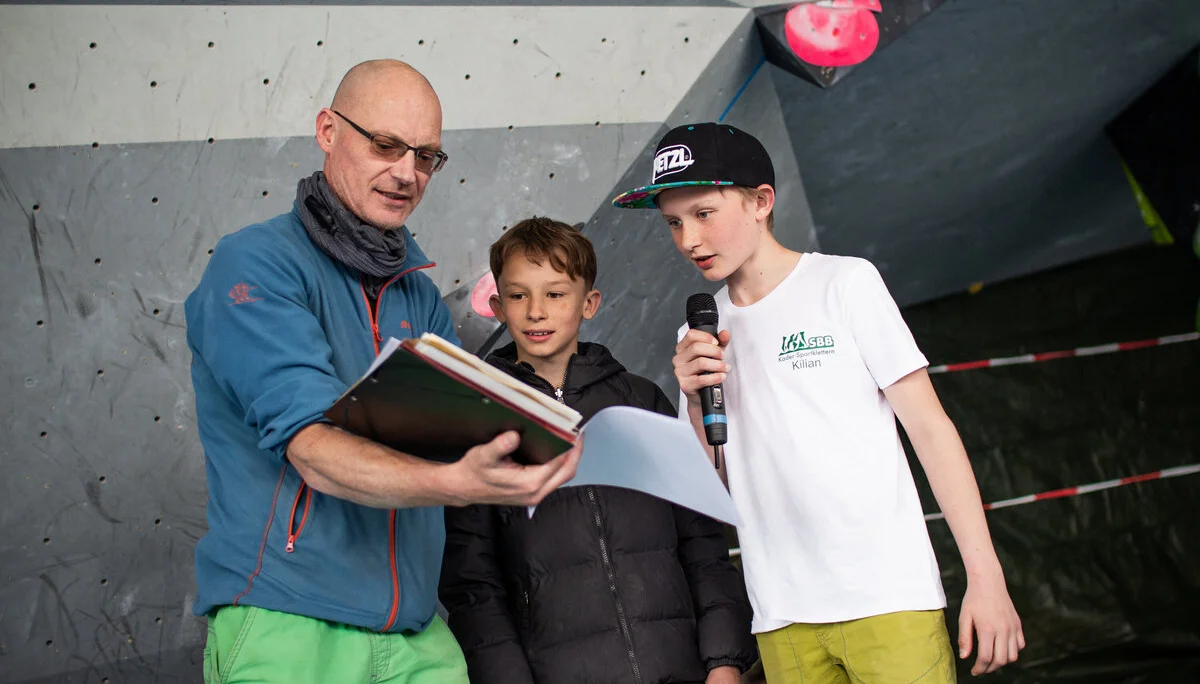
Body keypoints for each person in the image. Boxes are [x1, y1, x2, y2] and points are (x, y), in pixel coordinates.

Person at [184, 60, 580, 684]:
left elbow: (455, 440)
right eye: (385, 145)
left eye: (426, 156)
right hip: (289, 622)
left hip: (416, 631)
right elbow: (312, 451)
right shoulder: (256, 265)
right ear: (327, 131)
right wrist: (456, 482)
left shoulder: (417, 294)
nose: (406, 173)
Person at [611, 122, 1025, 682]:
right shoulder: (699, 333)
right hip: (781, 616)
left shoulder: (844, 283)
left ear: (761, 202)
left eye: (704, 213)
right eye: (674, 222)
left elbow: (931, 431)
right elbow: (710, 491)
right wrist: (691, 400)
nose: (689, 239)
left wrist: (987, 576)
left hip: (888, 599)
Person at [439, 217, 758, 684]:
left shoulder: (641, 400)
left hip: (681, 669)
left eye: (555, 294)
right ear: (498, 307)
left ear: (589, 303)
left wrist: (724, 660)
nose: (536, 312)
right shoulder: (478, 424)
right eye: (518, 296)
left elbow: (701, 540)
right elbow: (473, 584)